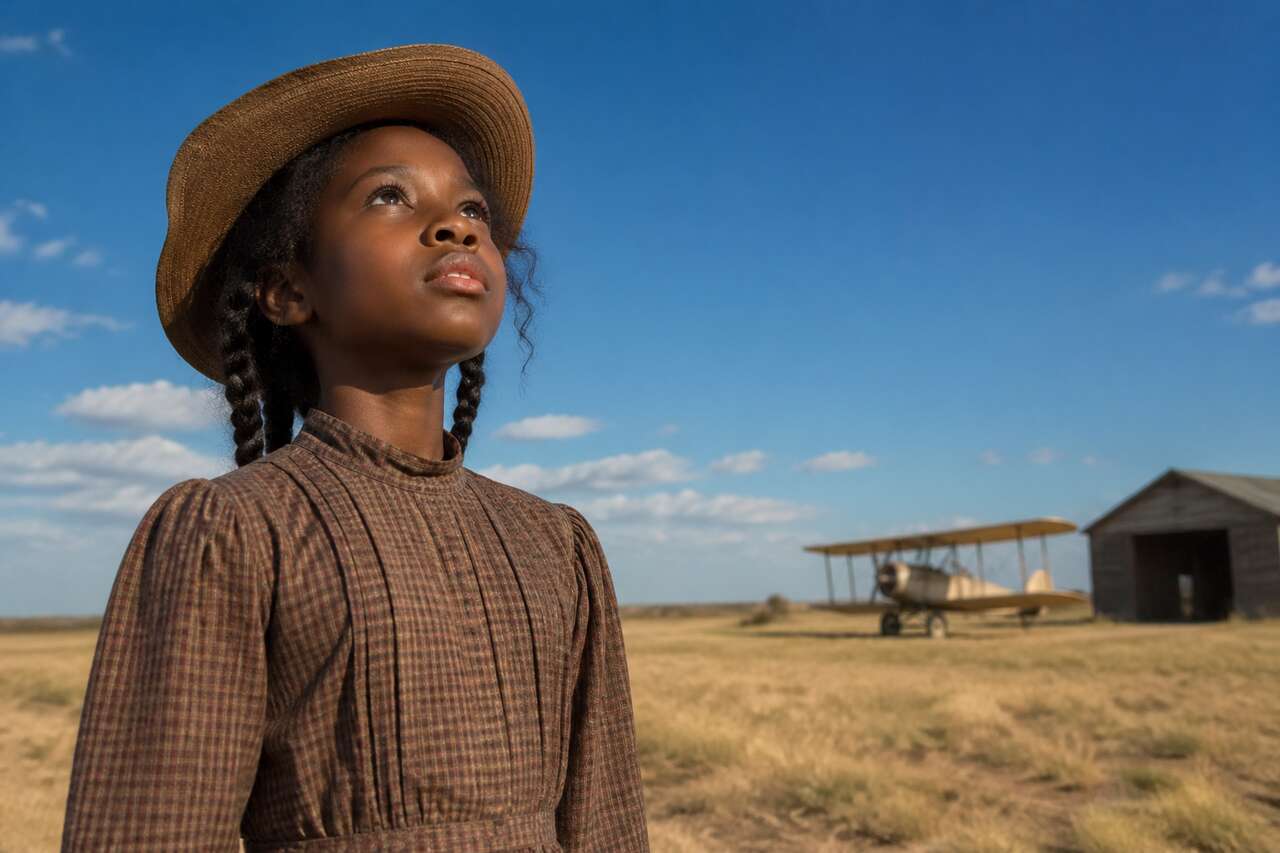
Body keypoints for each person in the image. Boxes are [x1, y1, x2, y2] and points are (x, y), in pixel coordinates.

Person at [60, 44, 650, 852]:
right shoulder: (231, 533)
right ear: (287, 290)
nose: (456, 226)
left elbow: (608, 826)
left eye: (473, 211)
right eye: (388, 197)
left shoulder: (559, 544)